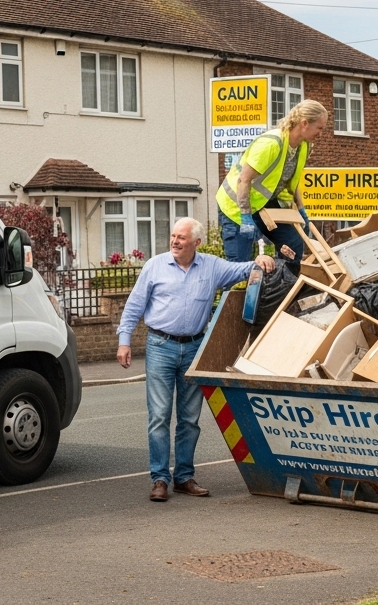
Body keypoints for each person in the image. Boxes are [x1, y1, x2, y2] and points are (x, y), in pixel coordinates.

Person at [117, 217, 273, 502]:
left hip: (193, 348)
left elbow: (242, 269)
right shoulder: (155, 266)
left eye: (182, 237)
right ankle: (160, 479)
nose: (175, 241)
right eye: (173, 236)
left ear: (196, 243)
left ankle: (184, 477)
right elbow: (134, 305)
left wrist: (259, 260)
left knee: (190, 419)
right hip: (160, 345)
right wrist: (124, 340)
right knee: (159, 417)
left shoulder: (211, 266)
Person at [215, 99, 329, 270]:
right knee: (239, 267)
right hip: (237, 207)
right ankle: (238, 293)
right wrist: (246, 217)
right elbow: (243, 180)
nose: (321, 133)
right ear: (304, 123)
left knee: (293, 245)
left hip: (265, 204)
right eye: (319, 128)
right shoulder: (271, 144)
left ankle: (283, 290)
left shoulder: (303, 146)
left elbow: (291, 180)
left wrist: (301, 209)